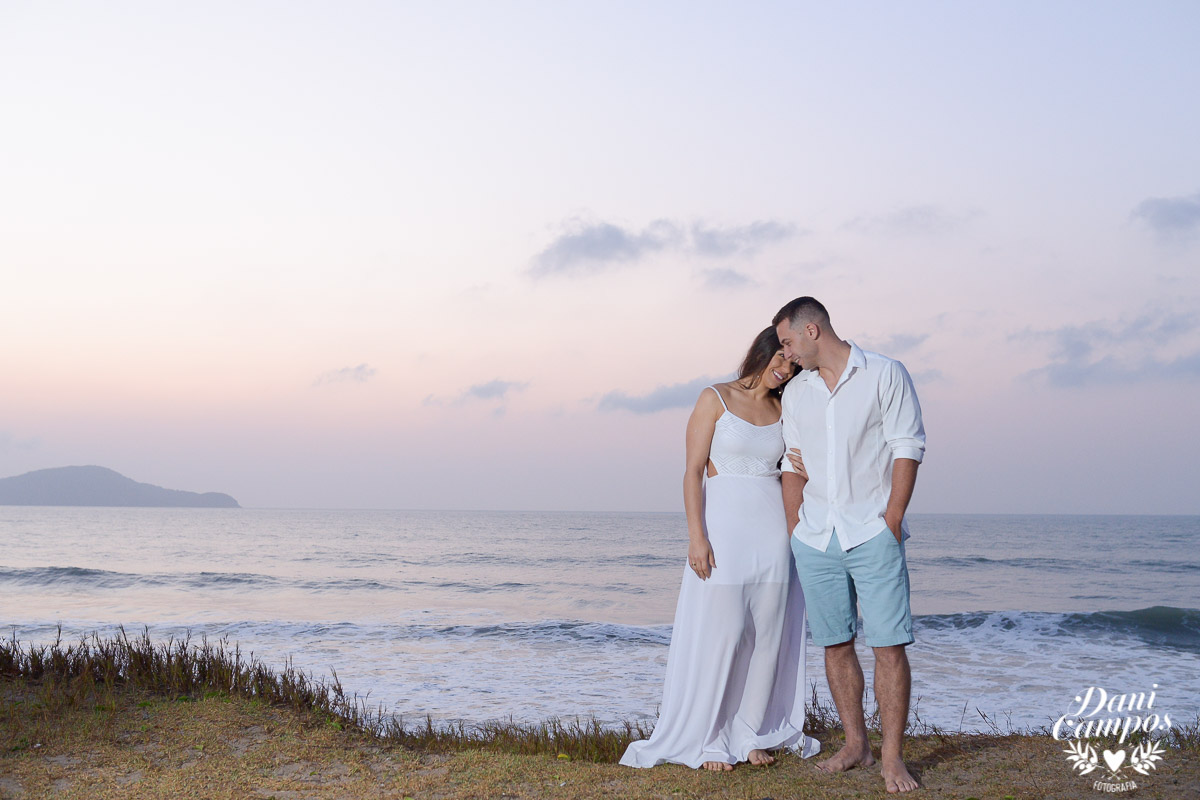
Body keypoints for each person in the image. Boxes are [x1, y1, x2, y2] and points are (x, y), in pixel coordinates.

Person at [620, 327, 821, 771]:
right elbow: (692, 472)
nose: (785, 369)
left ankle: (749, 734)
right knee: (725, 634)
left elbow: (797, 462)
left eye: (792, 364)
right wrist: (697, 536)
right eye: (780, 358)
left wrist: (808, 463)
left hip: (773, 534)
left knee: (767, 636)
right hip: (724, 532)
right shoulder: (715, 397)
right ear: (762, 352)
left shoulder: (784, 408)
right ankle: (710, 737)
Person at [773, 297, 925, 794]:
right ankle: (856, 745)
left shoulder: (884, 373)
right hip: (816, 536)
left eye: (788, 342)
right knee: (835, 644)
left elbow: (907, 446)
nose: (786, 354)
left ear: (812, 330)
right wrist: (796, 528)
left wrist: (892, 519)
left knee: (888, 646)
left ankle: (892, 758)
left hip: (872, 532)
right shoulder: (798, 393)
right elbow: (793, 463)